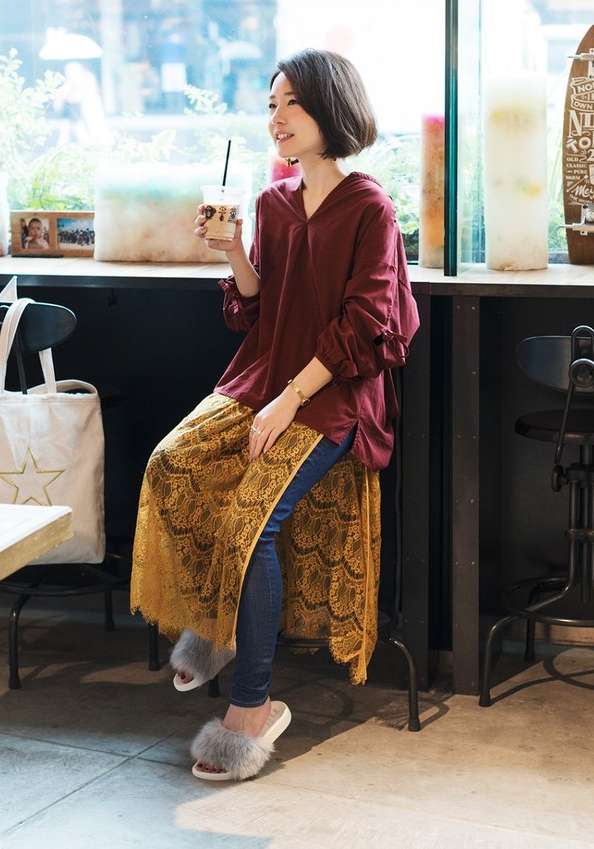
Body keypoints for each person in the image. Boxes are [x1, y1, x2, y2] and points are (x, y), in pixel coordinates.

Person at [131, 48, 418, 781]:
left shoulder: (370, 207)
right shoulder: (271, 202)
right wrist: (233, 253)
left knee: (250, 520)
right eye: (270, 105)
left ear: (330, 108)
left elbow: (367, 326)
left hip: (334, 397)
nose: (277, 117)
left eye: (291, 102)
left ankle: (254, 709)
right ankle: (220, 627)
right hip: (263, 379)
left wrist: (291, 401)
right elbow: (257, 308)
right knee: (172, 466)